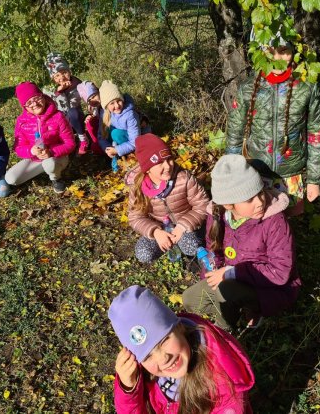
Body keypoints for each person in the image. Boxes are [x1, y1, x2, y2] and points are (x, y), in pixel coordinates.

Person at [182, 155, 300, 330]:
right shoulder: (217, 215)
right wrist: (212, 272)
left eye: (260, 192)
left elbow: (280, 272)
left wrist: (231, 273)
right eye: (250, 199)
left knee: (227, 293)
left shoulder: (275, 221)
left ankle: (227, 330)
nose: (260, 202)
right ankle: (236, 307)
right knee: (190, 300)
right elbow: (213, 250)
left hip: (269, 287)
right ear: (228, 205)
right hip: (232, 278)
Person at [225, 35, 320, 215]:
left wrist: (315, 179)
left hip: (291, 174)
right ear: (260, 53)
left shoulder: (308, 86)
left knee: (289, 227)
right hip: (256, 174)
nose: (277, 59)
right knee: (261, 225)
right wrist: (232, 172)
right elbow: (234, 131)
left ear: (294, 51)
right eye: (270, 51)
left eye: (283, 51)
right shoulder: (249, 87)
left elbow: (317, 133)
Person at [109, 285, 254, 413]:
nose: (163, 358)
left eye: (164, 340)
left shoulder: (223, 382)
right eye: (147, 356)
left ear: (179, 327)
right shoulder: (143, 372)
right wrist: (129, 389)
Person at [127, 134, 209, 264]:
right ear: (147, 169)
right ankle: (168, 244)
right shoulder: (139, 188)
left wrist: (182, 226)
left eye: (169, 159)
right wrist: (155, 232)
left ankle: (190, 254)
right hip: (161, 227)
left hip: (186, 224)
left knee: (191, 245)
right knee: (143, 253)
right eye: (159, 163)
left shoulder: (184, 178)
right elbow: (135, 217)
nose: (168, 166)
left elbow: (202, 205)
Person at [4, 82, 76, 194]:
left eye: (37, 98)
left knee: (49, 163)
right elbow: (18, 147)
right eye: (29, 102)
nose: (34, 104)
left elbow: (70, 143)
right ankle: (43, 169)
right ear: (24, 106)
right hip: (35, 159)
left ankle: (56, 178)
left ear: (42, 96)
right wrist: (30, 150)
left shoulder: (58, 116)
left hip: (56, 157)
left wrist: (51, 152)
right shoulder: (21, 121)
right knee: (11, 179)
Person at [45, 52, 89, 155]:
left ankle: (83, 139)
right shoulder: (49, 90)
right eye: (57, 75)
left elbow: (70, 107)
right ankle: (63, 144)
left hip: (74, 119)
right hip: (59, 123)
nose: (62, 77)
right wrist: (59, 92)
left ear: (69, 71)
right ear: (53, 78)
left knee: (73, 112)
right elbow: (52, 107)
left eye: (64, 72)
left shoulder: (77, 84)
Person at [97, 80, 142, 159]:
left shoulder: (130, 114)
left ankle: (131, 155)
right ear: (106, 106)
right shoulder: (106, 114)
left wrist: (117, 150)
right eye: (112, 103)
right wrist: (107, 149)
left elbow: (135, 141)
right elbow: (101, 135)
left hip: (134, 141)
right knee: (108, 132)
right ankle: (117, 157)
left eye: (119, 101)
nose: (117, 105)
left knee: (116, 133)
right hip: (121, 141)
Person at [76, 80, 103, 155]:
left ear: (98, 91)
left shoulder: (108, 101)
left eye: (94, 96)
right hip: (103, 132)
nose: (93, 100)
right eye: (89, 100)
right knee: (89, 122)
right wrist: (89, 116)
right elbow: (97, 116)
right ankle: (98, 142)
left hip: (112, 130)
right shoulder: (94, 108)